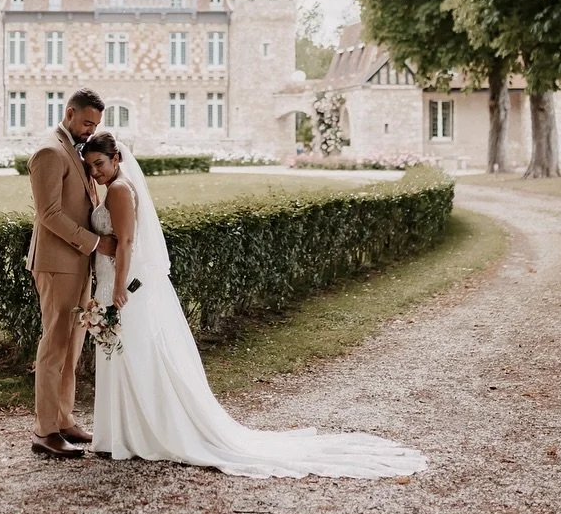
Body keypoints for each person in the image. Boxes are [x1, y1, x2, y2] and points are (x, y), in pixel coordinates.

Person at [81, 131, 428, 479]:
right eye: (91, 166)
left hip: (122, 286)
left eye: (99, 164)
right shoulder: (113, 188)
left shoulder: (121, 190)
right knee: (126, 355)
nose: (95, 171)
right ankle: (125, 432)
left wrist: (118, 289)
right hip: (113, 282)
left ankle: (142, 432)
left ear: (117, 159)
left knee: (135, 356)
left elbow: (126, 241)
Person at [25, 88, 117, 459]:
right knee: (54, 345)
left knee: (73, 346)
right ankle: (45, 431)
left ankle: (64, 419)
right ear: (69, 113)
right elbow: (48, 214)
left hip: (78, 264)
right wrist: (95, 243)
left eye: (96, 125)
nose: (90, 130)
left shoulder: (74, 148)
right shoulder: (49, 150)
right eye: (86, 122)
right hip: (57, 264)